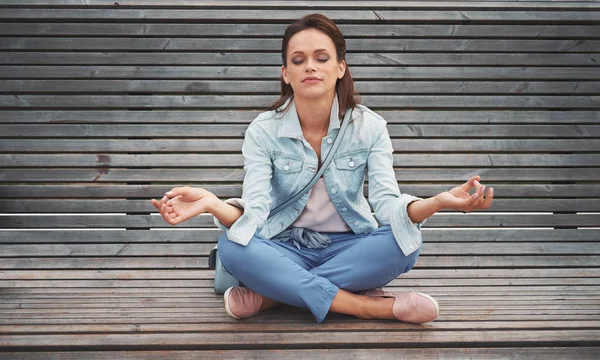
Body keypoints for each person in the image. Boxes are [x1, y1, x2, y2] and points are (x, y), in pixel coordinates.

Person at [151, 13, 493, 324]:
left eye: (321, 58)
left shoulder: (369, 127)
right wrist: (211, 203)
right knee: (232, 246)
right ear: (286, 73)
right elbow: (255, 212)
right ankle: (369, 306)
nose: (309, 67)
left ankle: (273, 296)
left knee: (404, 241)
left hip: (350, 246)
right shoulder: (263, 131)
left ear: (341, 67)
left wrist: (436, 203)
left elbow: (388, 205)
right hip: (283, 246)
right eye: (297, 60)